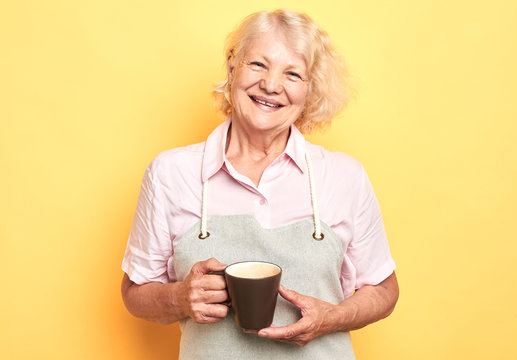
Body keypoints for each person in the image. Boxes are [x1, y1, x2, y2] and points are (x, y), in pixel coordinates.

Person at [121, 9, 399, 359]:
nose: (271, 84)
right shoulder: (170, 174)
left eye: (293, 74)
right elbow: (135, 292)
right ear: (232, 67)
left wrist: (333, 317)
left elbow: (384, 289)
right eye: (258, 65)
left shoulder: (344, 176)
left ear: (309, 90)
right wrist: (179, 298)